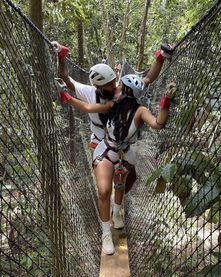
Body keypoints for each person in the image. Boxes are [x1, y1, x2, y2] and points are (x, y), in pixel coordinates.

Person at [58, 73, 177, 255]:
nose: (117, 89)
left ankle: (117, 211)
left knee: (120, 183)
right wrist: (68, 97)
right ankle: (106, 233)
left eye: (121, 87)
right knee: (104, 191)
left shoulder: (140, 111)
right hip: (106, 150)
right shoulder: (113, 104)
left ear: (128, 92)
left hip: (125, 152)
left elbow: (158, 123)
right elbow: (88, 107)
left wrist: (166, 100)